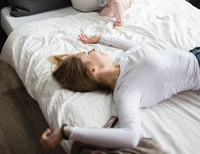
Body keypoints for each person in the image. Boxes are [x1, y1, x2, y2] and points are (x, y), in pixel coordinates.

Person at [40, 33, 200, 150]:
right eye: (89, 53)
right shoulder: (126, 92)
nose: (94, 49)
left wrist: (103, 38)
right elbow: (131, 137)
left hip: (193, 52)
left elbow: (135, 48)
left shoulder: (118, 62)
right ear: (92, 69)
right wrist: (66, 132)